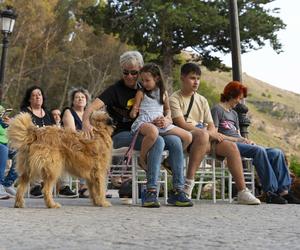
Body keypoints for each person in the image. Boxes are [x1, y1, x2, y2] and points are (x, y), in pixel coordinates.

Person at [82, 51, 193, 208]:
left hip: (151, 129)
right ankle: (151, 191)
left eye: (134, 72)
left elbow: (165, 109)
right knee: (157, 141)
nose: (129, 76)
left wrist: (166, 119)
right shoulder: (115, 89)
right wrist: (85, 121)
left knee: (175, 140)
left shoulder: (150, 86)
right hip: (123, 133)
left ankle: (178, 191)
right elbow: (92, 106)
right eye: (125, 72)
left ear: (140, 71)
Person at [169, 62, 260, 205]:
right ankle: (187, 186)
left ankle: (242, 191)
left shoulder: (202, 100)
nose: (196, 82)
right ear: (182, 78)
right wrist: (207, 133)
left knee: (231, 147)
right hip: (186, 138)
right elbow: (181, 123)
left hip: (204, 139)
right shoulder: (175, 98)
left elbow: (212, 126)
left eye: (198, 78)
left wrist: (210, 133)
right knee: (204, 135)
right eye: (192, 78)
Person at [211, 81, 300, 204]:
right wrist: (237, 140)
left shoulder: (234, 114)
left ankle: (284, 192)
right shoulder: (217, 109)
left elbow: (238, 134)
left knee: (277, 152)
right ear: (231, 94)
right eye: (239, 98)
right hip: (229, 145)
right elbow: (215, 134)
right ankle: (270, 192)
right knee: (259, 150)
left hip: (240, 142)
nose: (240, 101)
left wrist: (246, 140)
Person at [130, 63, 192, 170]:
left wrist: (167, 118)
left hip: (161, 123)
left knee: (188, 137)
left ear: (157, 78)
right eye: (142, 80)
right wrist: (134, 111)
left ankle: (168, 161)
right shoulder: (141, 93)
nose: (144, 83)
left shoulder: (163, 92)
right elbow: (133, 114)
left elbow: (167, 110)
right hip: (145, 123)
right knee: (153, 132)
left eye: (147, 80)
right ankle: (142, 158)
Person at [20, 86, 56, 198]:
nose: (37, 97)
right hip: (31, 144)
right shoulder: (25, 112)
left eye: (39, 94)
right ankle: (35, 186)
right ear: (29, 99)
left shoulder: (49, 113)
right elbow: (24, 130)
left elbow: (54, 129)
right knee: (38, 155)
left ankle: (63, 186)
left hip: (49, 145)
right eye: (34, 95)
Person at [61, 87, 91, 198]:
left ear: (87, 100)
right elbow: (71, 133)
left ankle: (91, 186)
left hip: (86, 144)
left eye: (83, 97)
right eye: (77, 97)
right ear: (72, 100)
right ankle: (81, 187)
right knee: (84, 153)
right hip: (69, 144)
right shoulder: (69, 112)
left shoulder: (89, 114)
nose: (80, 99)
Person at [0, 111, 18, 199]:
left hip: (5, 142)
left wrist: (7, 123)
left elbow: (3, 128)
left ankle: (8, 183)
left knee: (20, 154)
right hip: (2, 146)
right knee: (3, 150)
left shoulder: (1, 108)